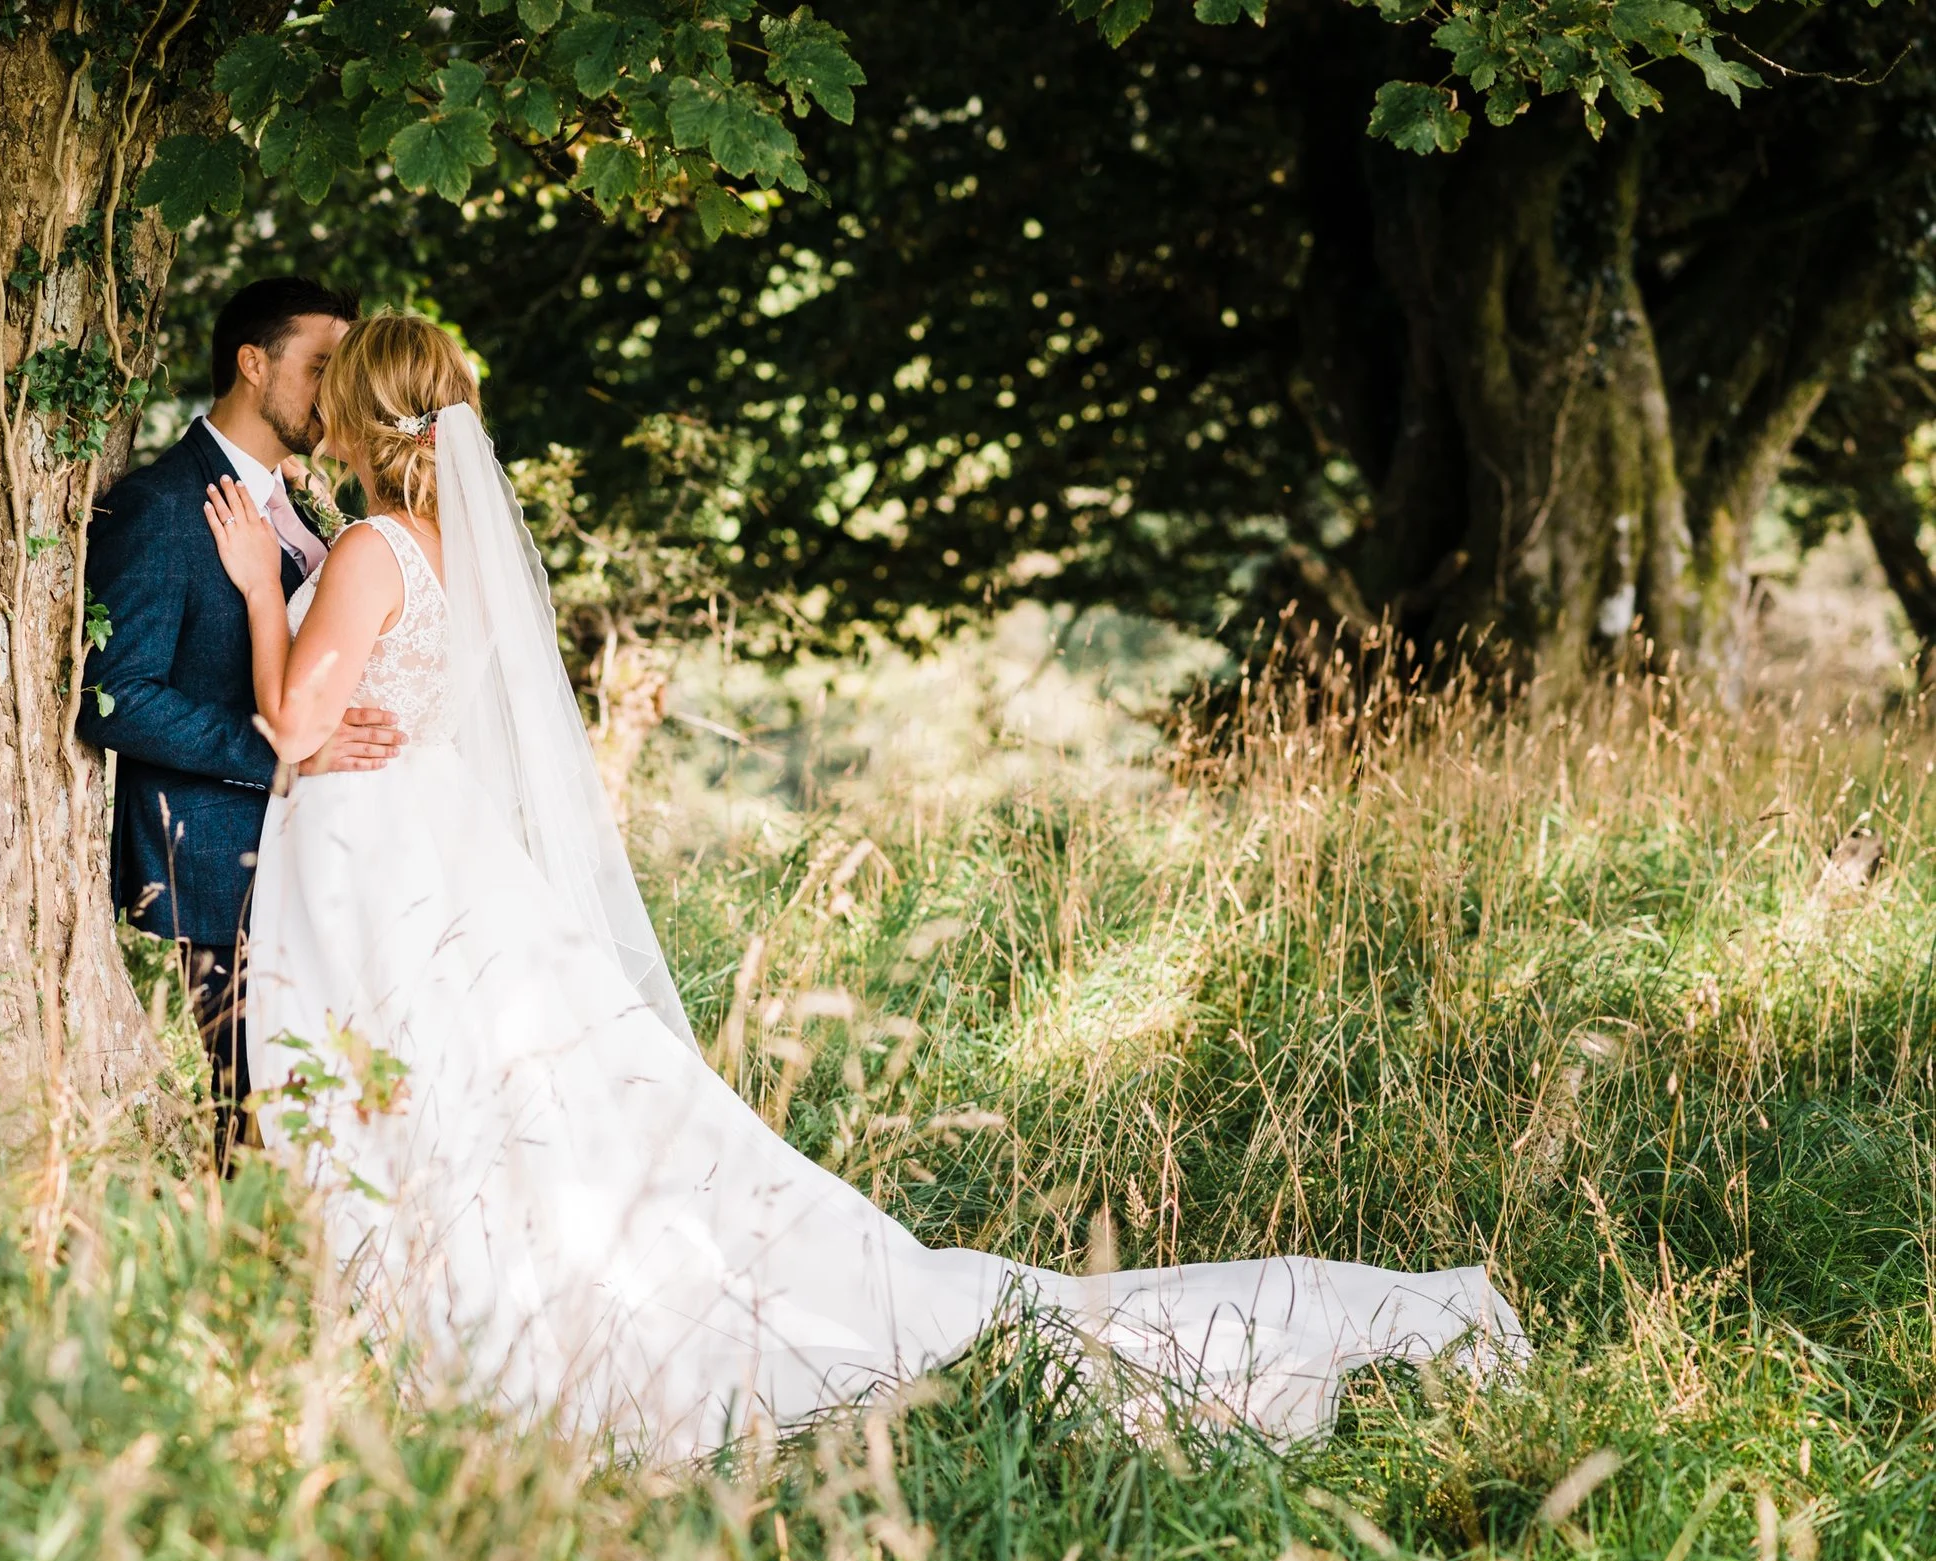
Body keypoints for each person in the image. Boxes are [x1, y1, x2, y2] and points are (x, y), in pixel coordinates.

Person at [203, 311, 1530, 1461]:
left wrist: (265, 586)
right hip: (434, 844)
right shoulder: (455, 547)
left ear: (369, 415)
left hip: (370, 843)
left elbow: (297, 722)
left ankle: (405, 1295)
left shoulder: (372, 542)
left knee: (415, 1073)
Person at [77, 277, 401, 1168]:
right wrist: (287, 760)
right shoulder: (163, 506)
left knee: (339, 1103)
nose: (337, 394)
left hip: (324, 857)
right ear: (253, 364)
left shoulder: (307, 507)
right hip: (222, 861)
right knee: (255, 1110)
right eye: (322, 368)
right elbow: (116, 695)